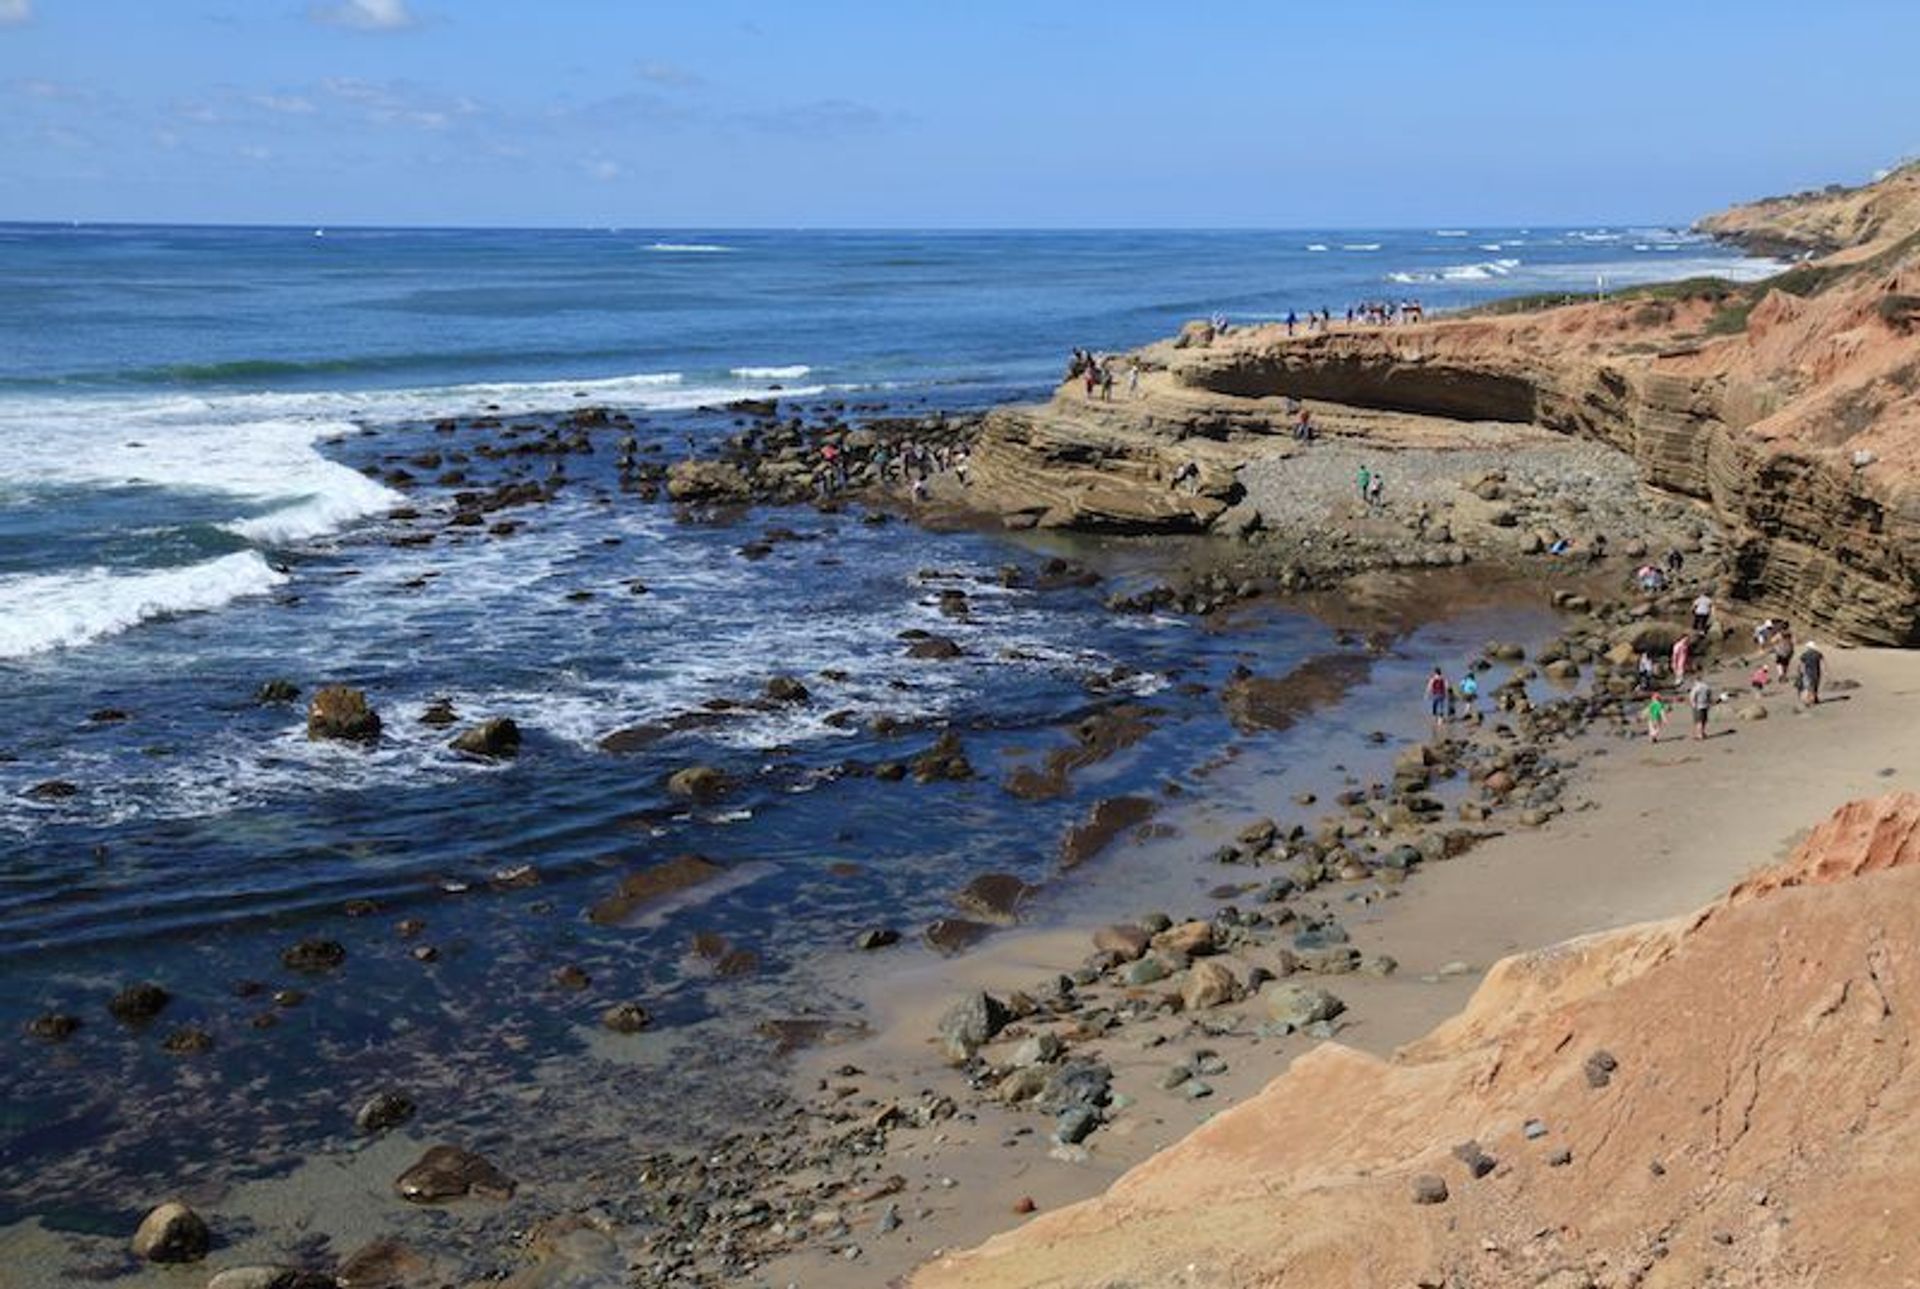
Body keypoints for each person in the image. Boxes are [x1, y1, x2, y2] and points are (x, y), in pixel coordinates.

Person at [1425, 667, 1448, 734]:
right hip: (1442, 694)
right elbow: (1446, 686)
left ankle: (1435, 718)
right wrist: (1446, 694)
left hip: (1435, 694)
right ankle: (1440, 721)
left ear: (1435, 672)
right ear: (1440, 672)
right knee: (1441, 707)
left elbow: (1429, 686)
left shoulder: (1433, 678)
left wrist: (1426, 694)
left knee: (1434, 706)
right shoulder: (1443, 678)